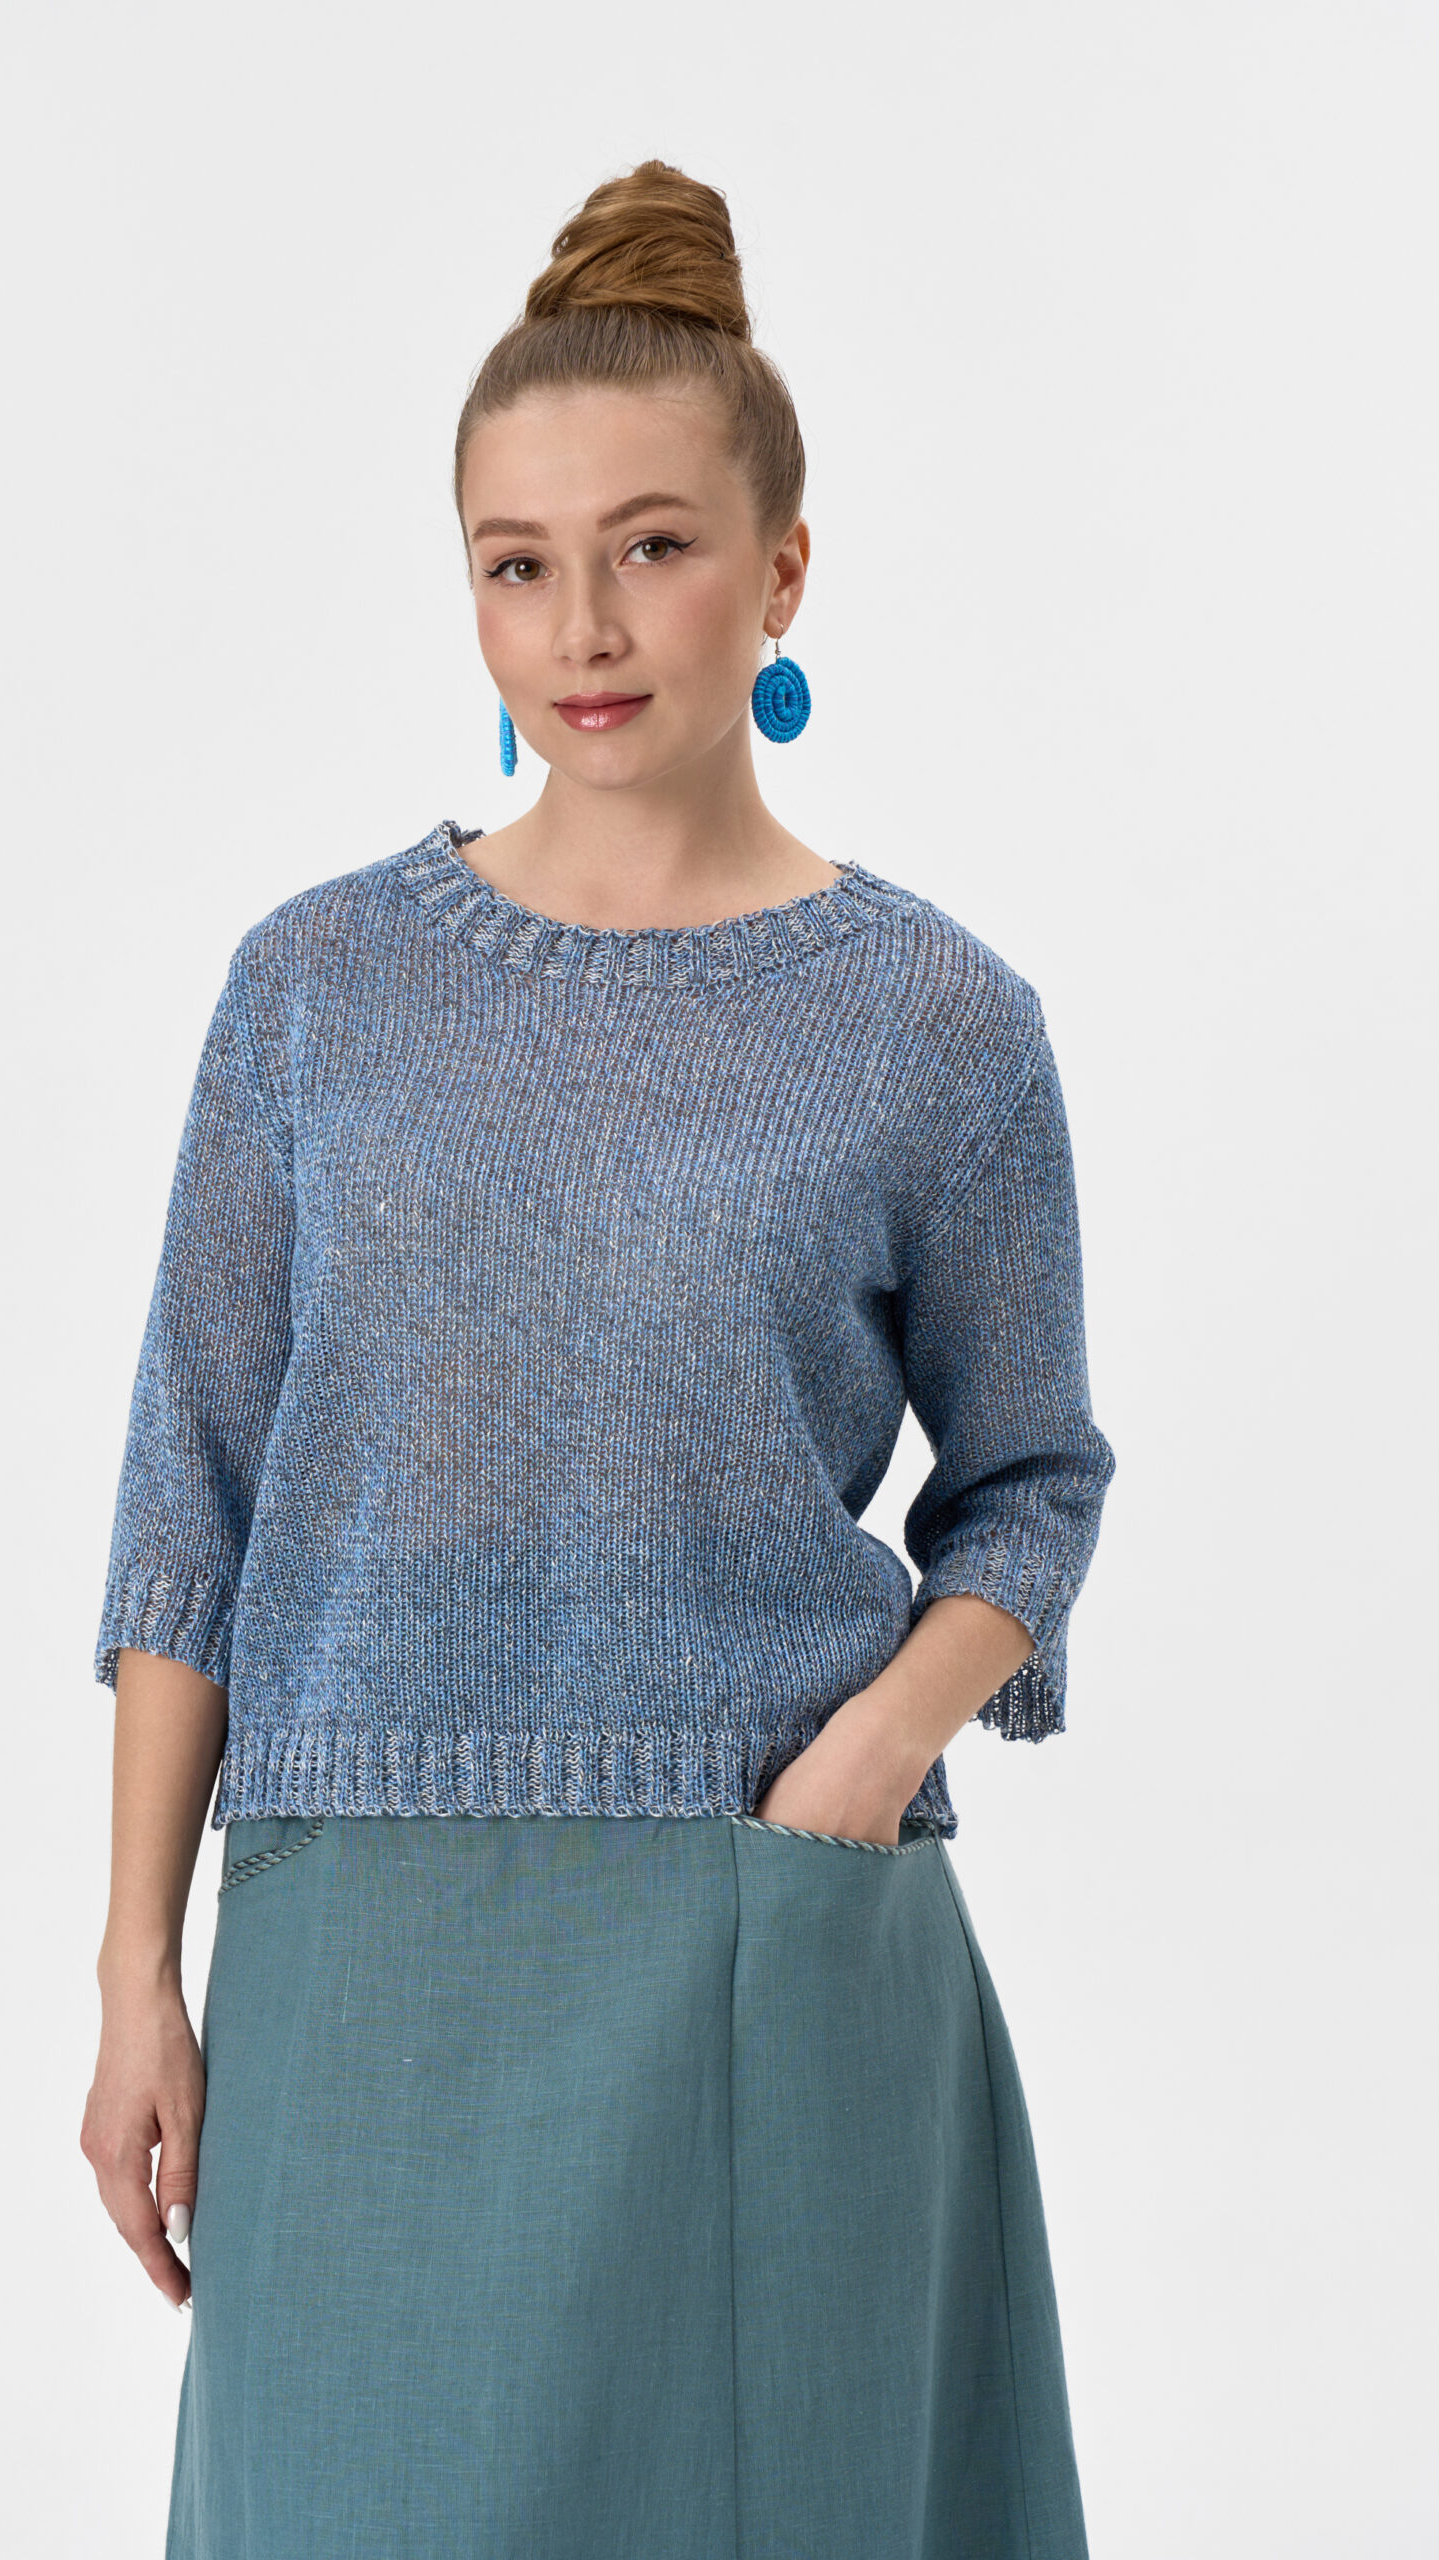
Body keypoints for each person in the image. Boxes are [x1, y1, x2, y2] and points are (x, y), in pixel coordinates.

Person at [80, 158, 1117, 2560]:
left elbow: (1031, 1483)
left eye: (651, 546)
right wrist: (137, 1969)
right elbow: (188, 1503)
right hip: (357, 1963)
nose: (584, 626)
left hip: (764, 1939)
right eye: (516, 562)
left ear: (781, 570)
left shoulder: (937, 1022)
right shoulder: (314, 990)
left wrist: (862, 1758)